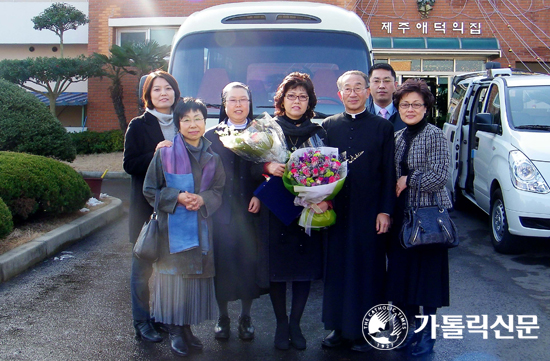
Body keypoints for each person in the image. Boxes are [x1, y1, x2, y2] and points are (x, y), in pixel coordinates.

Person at [143, 97, 225, 356]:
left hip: (201, 229)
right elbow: (149, 189)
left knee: (192, 283)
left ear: (205, 122)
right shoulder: (164, 152)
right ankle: (175, 331)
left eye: (198, 119)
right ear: (178, 123)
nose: (193, 124)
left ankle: (186, 327)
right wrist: (176, 196)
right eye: (186, 119)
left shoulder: (213, 156)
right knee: (174, 282)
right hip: (171, 231)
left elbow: (218, 190)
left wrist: (203, 199)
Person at [321, 70, 396, 352]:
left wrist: (385, 211)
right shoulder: (328, 126)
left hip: (369, 211)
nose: (352, 93)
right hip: (336, 211)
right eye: (346, 89)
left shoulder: (382, 128)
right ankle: (338, 328)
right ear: (339, 95)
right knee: (338, 269)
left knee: (369, 270)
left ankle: (369, 332)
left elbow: (389, 173)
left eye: (358, 88)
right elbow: (319, 171)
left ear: (367, 92)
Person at [261, 72, 327, 350]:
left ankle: (296, 324)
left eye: (303, 96)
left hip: (307, 211)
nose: (297, 100)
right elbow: (250, 163)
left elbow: (331, 170)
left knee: (303, 271)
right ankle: (280, 324)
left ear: (310, 101)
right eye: (291, 96)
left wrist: (324, 196)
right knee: (278, 271)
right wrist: (266, 167)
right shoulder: (267, 130)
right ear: (282, 100)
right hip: (276, 210)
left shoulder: (319, 132)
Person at [387, 78, 451, 356]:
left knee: (428, 282)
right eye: (404, 104)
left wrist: (408, 179)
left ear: (426, 107)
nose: (410, 109)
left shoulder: (435, 134)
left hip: (427, 220)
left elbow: (440, 176)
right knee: (403, 278)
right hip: (402, 219)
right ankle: (408, 328)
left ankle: (429, 335)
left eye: (416, 104)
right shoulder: (397, 137)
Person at [204, 82, 268, 341]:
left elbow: (271, 170)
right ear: (224, 104)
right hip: (220, 214)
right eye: (233, 100)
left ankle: (246, 316)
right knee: (221, 266)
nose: (239, 105)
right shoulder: (211, 136)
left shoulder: (262, 134)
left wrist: (261, 195)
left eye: (243, 100)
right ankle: (222, 316)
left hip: (251, 212)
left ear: (250, 104)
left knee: (247, 266)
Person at [123, 70, 180, 343]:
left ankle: (160, 318)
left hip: (176, 208)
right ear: (148, 95)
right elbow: (129, 164)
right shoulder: (138, 125)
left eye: (167, 88)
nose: (163, 93)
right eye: (156, 89)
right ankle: (141, 322)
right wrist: (155, 153)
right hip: (147, 210)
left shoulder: (183, 122)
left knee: (169, 269)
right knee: (142, 269)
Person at [366, 63, 406, 132]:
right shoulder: (362, 117)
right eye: (376, 81)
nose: (381, 86)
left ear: (395, 85)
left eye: (387, 81)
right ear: (369, 86)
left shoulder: (405, 116)